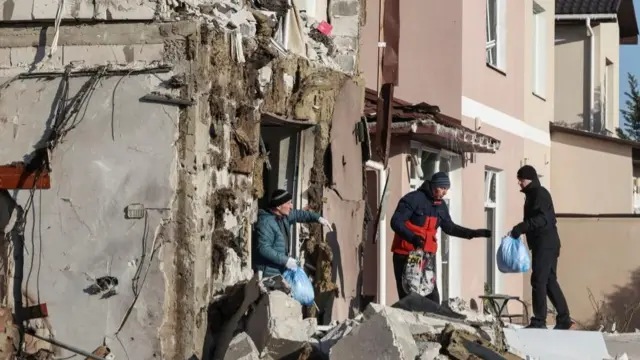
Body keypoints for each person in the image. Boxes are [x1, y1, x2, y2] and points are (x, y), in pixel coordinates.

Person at [390, 172, 492, 304]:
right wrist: (413, 238)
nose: (445, 192)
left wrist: (472, 233)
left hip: (426, 257)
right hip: (406, 255)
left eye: (447, 189)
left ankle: (431, 321)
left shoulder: (441, 206)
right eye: (443, 188)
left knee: (432, 297)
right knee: (409, 295)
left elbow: (449, 227)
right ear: (434, 186)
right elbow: (396, 222)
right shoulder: (413, 199)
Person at [509, 165, 573, 330]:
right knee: (549, 280)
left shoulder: (539, 194)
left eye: (521, 180)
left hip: (545, 244)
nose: (519, 184)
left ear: (529, 179)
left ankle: (539, 321)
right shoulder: (534, 194)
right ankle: (564, 319)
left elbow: (543, 218)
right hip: (546, 243)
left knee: (538, 280)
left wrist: (521, 227)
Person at [254, 189, 332, 278]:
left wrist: (318, 218)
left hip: (279, 271)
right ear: (279, 206)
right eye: (288, 203)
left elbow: (300, 214)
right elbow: (263, 249)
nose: (291, 206)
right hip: (267, 273)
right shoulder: (266, 223)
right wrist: (286, 261)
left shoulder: (283, 217)